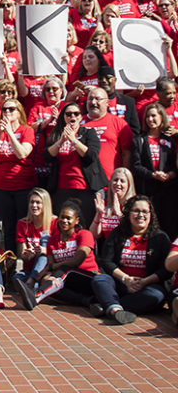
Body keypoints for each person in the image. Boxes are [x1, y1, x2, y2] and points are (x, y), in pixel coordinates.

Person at [91, 196, 170, 324]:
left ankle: (108, 306)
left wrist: (144, 282)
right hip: (120, 283)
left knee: (157, 296)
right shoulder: (118, 233)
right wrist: (126, 279)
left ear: (151, 215)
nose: (140, 215)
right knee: (100, 280)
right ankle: (116, 310)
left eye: (145, 211)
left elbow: (166, 270)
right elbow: (106, 261)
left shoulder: (160, 238)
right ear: (128, 214)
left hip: (147, 285)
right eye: (136, 211)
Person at [14, 200, 100, 310]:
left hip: (88, 277)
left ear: (77, 221)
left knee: (66, 269)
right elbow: (50, 264)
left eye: (68, 218)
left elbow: (76, 261)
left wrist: (52, 268)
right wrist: (45, 277)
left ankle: (35, 297)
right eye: (62, 217)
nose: (64, 220)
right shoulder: (52, 240)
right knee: (48, 282)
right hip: (65, 279)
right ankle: (88, 301)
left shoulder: (84, 234)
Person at [0, 99, 35, 252]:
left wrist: (11, 134)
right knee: (8, 226)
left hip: (23, 185)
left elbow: (22, 153)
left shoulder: (27, 131)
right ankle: (11, 260)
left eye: (11, 109)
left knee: (23, 224)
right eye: (4, 110)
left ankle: (24, 258)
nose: (7, 112)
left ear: (19, 112)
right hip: (2, 186)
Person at [43, 101, 103, 225]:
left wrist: (73, 140)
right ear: (63, 117)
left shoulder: (88, 133)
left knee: (85, 224)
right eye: (69, 114)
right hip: (62, 188)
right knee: (64, 224)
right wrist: (61, 141)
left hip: (84, 188)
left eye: (76, 114)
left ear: (81, 117)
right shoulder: (57, 134)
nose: (72, 117)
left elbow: (91, 155)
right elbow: (47, 156)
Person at [131, 103, 178, 239]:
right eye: (148, 116)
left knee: (169, 224)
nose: (150, 119)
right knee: (151, 226)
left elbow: (174, 164)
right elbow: (136, 166)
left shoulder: (169, 139)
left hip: (168, 191)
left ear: (161, 117)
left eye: (154, 116)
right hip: (148, 191)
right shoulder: (139, 140)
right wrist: (152, 174)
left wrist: (171, 174)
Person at [14, 188, 57, 289]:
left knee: (44, 242)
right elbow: (22, 256)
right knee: (17, 278)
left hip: (47, 269)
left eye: (38, 202)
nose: (34, 206)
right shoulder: (22, 224)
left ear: (45, 204)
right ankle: (35, 283)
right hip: (30, 268)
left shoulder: (55, 222)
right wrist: (27, 255)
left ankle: (32, 282)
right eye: (32, 202)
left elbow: (59, 252)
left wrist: (45, 251)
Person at [90, 168, 137, 252]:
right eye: (115, 180)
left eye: (122, 181)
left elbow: (133, 231)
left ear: (129, 185)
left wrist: (118, 213)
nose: (118, 183)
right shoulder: (103, 203)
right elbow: (94, 235)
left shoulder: (134, 205)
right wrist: (98, 214)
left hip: (127, 250)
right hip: (107, 250)